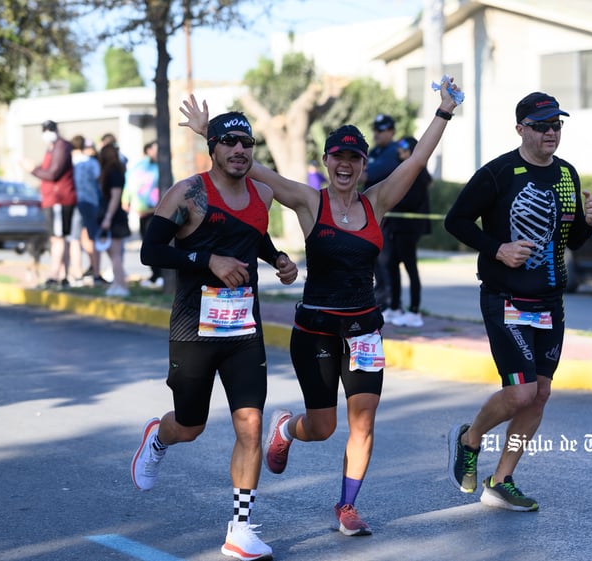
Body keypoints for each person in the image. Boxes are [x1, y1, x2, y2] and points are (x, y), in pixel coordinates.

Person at [178, 77, 461, 537]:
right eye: (337, 157)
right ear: (326, 162)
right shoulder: (312, 202)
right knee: (325, 426)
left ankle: (347, 506)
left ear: (364, 165)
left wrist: (444, 111)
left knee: (364, 420)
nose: (345, 165)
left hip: (364, 330)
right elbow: (255, 168)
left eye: (354, 158)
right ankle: (288, 429)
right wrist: (209, 131)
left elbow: (421, 158)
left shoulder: (378, 202)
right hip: (316, 331)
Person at [130, 110, 298, 561]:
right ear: (214, 148)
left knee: (251, 424)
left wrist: (278, 258)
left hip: (244, 328)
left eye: (247, 143)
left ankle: (240, 529)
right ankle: (159, 437)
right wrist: (208, 261)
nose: (240, 150)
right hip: (194, 328)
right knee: (192, 424)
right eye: (230, 142)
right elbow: (151, 251)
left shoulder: (262, 194)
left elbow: (254, 238)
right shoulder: (188, 193)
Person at [444, 92, 592, 512]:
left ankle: (501, 479)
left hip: (551, 301)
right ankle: (469, 439)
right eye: (542, 126)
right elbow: (455, 221)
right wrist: (497, 249)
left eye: (557, 126)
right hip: (505, 297)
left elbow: (571, 241)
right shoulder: (497, 173)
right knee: (520, 393)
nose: (551, 133)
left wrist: (590, 224)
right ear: (521, 130)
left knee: (541, 393)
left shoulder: (568, 175)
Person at [384, 136, 432, 328]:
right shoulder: (403, 171)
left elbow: (409, 200)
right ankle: (395, 306)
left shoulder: (418, 175)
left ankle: (414, 311)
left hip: (408, 229)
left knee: (410, 269)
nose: (400, 151)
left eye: (404, 147)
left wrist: (390, 199)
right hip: (396, 227)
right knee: (391, 266)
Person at [21, 120, 77, 288]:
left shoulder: (61, 147)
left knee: (58, 238)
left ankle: (56, 275)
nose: (47, 133)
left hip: (60, 200)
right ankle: (62, 274)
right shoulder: (53, 147)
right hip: (53, 200)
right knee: (59, 238)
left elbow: (53, 174)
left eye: (49, 130)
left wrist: (32, 169)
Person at [361, 114, 401, 318]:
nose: (377, 134)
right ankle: (382, 298)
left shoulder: (394, 152)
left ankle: (389, 302)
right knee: (376, 259)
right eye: (375, 129)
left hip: (390, 216)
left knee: (387, 260)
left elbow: (368, 174)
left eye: (381, 130)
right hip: (373, 214)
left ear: (392, 131)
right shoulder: (376, 151)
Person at [122, 140, 163, 288]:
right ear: (148, 150)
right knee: (148, 243)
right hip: (144, 211)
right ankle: (155, 274)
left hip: (157, 210)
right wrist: (126, 200)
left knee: (157, 243)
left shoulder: (161, 166)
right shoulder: (141, 167)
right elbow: (130, 183)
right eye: (155, 149)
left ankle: (159, 274)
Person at [97, 143, 131, 297]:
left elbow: (115, 198)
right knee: (112, 252)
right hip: (111, 215)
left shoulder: (114, 172)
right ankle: (118, 282)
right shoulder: (113, 171)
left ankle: (121, 284)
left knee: (115, 253)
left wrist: (108, 218)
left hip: (114, 216)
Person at [69, 135, 102, 286]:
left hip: (75, 202)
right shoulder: (92, 162)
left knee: (74, 238)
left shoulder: (71, 163)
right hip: (91, 202)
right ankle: (95, 272)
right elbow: (98, 179)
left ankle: (77, 272)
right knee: (92, 237)